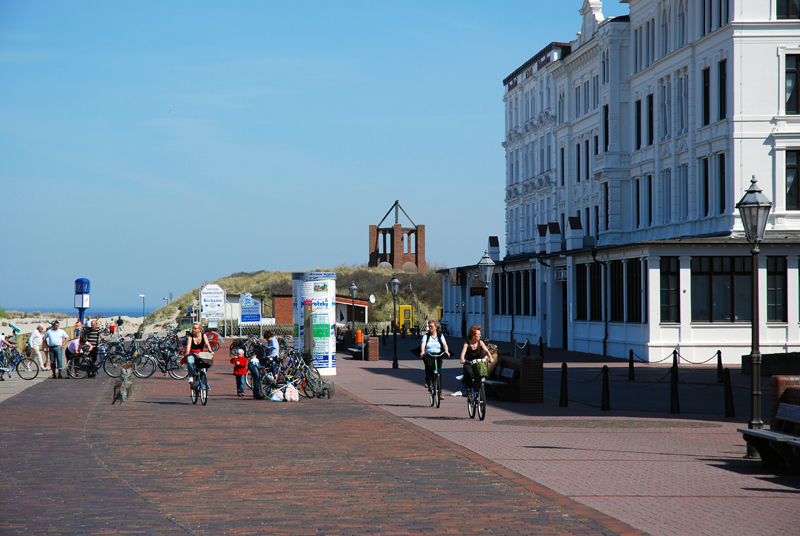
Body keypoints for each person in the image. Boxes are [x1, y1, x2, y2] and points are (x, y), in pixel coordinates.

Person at [457, 325, 494, 397]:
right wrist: (462, 359)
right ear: (473, 335)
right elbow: (462, 353)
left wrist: (490, 357)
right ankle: (468, 388)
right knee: (469, 372)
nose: (480, 335)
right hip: (469, 363)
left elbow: (487, 351)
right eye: (478, 334)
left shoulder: (481, 343)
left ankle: (480, 388)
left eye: (480, 334)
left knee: (481, 374)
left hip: (477, 363)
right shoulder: (467, 344)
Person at [420, 319, 449, 400]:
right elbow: (423, 344)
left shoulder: (440, 336)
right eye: (429, 326)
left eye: (431, 326)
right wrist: (422, 351)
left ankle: (440, 392)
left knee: (439, 373)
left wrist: (446, 351)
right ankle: (428, 380)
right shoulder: (426, 336)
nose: (430, 328)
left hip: (438, 354)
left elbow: (444, 344)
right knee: (429, 365)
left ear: (436, 327)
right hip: (428, 354)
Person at [248, 331, 279, 400]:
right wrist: (270, 378)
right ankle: (257, 394)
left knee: (258, 378)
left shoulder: (273, 341)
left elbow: (274, 347)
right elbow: (264, 371)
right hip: (253, 365)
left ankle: (257, 393)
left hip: (256, 363)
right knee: (257, 377)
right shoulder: (262, 361)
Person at [184, 322, 212, 388]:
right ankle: (191, 376)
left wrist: (211, 351)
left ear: (199, 329)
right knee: (189, 361)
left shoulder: (203, 336)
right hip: (193, 353)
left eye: (195, 328)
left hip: (201, 354)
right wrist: (187, 351)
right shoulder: (191, 336)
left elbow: (207, 344)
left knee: (203, 369)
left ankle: (204, 386)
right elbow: (188, 345)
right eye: (193, 328)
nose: (193, 329)